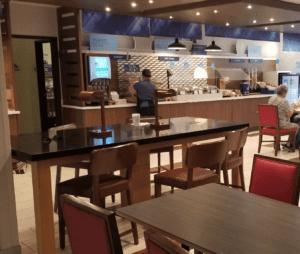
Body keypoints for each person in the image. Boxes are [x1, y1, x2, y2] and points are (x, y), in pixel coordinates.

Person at [268, 84, 299, 152]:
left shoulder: (271, 98)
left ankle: (277, 144)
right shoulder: (284, 101)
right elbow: (289, 115)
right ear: (284, 92)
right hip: (281, 124)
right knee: (296, 126)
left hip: (272, 124)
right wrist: (293, 107)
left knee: (293, 123)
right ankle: (288, 144)